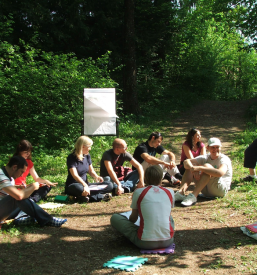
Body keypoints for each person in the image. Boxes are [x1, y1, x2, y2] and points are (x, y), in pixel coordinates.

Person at [110, 165, 175, 249]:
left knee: (115, 217)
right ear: (161, 178)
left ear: (145, 178)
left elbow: (133, 218)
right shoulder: (170, 192)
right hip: (168, 241)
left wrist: (130, 224)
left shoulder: (139, 192)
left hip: (144, 242)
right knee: (169, 217)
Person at [0, 156, 67, 227]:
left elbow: (5, 188)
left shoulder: (9, 177)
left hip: (5, 209)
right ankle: (48, 220)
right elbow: (18, 196)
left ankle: (20, 219)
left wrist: (25, 187)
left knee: (22, 198)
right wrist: (33, 187)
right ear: (14, 167)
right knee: (17, 197)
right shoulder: (1, 176)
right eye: (21, 172)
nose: (22, 175)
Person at [175, 137, 232, 207]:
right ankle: (181, 192)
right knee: (191, 165)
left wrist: (200, 168)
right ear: (208, 148)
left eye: (217, 147)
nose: (215, 149)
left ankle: (193, 196)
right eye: (213, 147)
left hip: (219, 190)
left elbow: (220, 173)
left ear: (220, 148)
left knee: (206, 166)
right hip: (206, 191)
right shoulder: (205, 157)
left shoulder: (224, 159)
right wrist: (192, 168)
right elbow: (186, 162)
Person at [65, 136, 113, 202]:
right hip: (75, 185)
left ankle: (82, 197)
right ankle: (100, 196)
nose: (90, 149)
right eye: (89, 146)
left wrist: (97, 176)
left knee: (109, 185)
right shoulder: (71, 157)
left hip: (86, 185)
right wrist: (84, 185)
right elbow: (75, 175)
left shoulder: (87, 155)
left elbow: (91, 171)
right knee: (79, 189)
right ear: (83, 146)